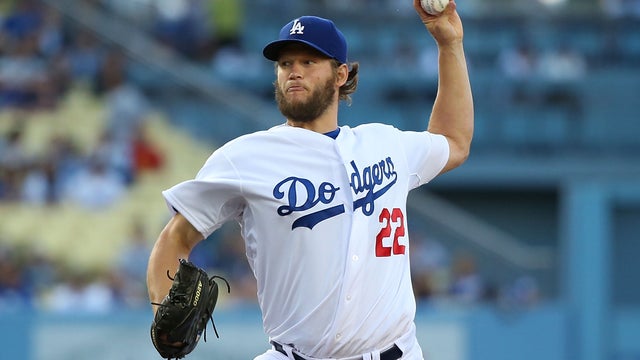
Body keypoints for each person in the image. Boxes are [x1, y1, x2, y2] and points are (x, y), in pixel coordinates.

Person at [146, 1, 473, 359]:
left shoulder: (385, 145)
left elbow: (454, 142)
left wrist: (449, 45)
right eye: (285, 64)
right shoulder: (244, 158)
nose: (294, 72)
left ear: (341, 74)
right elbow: (177, 235)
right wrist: (162, 312)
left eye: (308, 62)